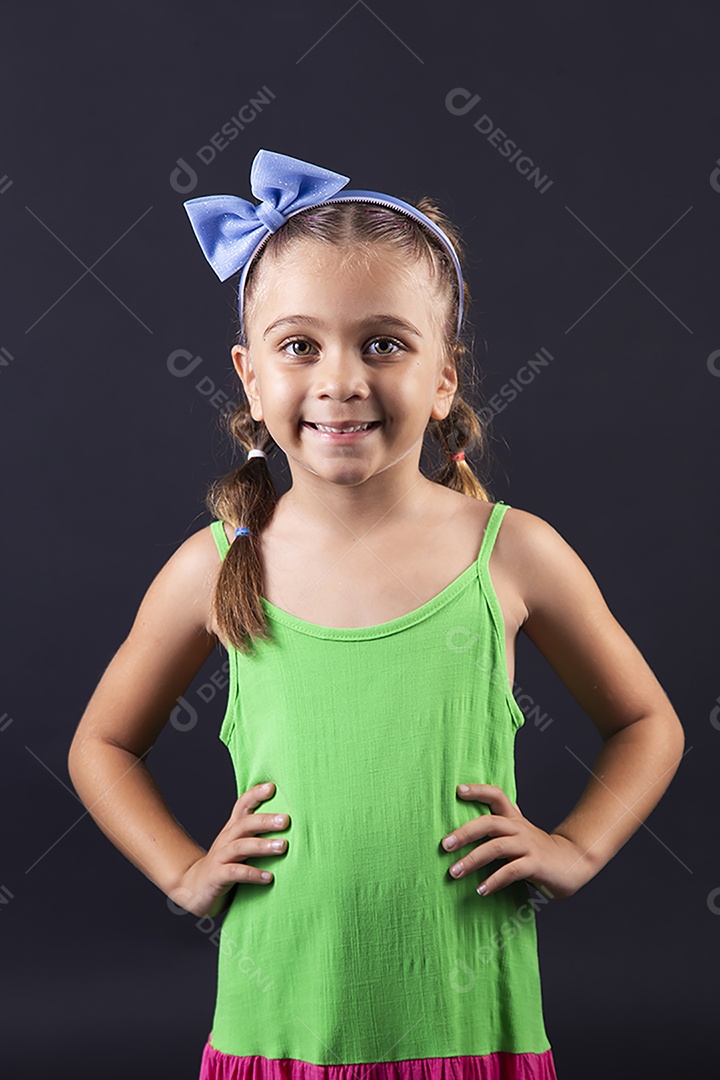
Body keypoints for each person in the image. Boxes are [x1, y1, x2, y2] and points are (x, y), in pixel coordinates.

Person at [67, 149, 685, 1080]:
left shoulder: (513, 553)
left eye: (385, 344)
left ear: (444, 377)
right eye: (299, 345)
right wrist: (186, 874)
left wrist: (575, 848)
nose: (341, 380)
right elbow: (101, 746)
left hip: (472, 1035)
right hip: (278, 1039)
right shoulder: (219, 563)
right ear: (248, 375)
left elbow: (647, 723)